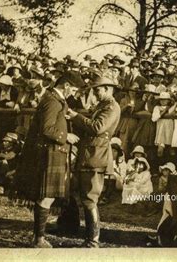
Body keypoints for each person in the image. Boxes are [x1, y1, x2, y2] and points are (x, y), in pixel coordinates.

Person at [13, 72, 85, 248]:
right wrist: (66, 136)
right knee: (46, 198)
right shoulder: (52, 101)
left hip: (55, 152)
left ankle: (38, 237)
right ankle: (39, 239)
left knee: (47, 198)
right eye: (73, 88)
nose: (73, 93)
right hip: (51, 153)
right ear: (66, 85)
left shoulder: (56, 100)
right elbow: (46, 129)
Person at [67, 76, 121, 248]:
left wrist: (75, 116)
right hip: (90, 154)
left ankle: (93, 240)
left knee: (90, 198)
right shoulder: (103, 105)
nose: (95, 92)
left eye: (97, 89)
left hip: (96, 155)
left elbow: (97, 127)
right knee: (85, 197)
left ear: (107, 89)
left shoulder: (112, 107)